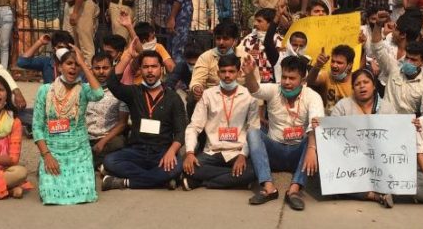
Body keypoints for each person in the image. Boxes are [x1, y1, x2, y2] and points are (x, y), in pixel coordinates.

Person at [243, 55, 323, 211]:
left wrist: (312, 149)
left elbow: (315, 124)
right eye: (284, 77)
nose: (286, 82)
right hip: (275, 151)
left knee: (313, 138)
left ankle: (294, 190)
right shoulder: (274, 89)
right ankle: (268, 187)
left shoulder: (313, 96)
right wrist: (249, 74)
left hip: (299, 152)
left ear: (303, 79)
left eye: (292, 78)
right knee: (253, 133)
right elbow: (255, 90)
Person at [102, 50, 187, 190]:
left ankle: (124, 182)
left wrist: (171, 151)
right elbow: (112, 83)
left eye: (154, 66)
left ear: (162, 68)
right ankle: (161, 180)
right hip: (137, 151)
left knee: (176, 167)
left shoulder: (173, 97)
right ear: (140, 69)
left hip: (161, 151)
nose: (150, 71)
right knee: (110, 161)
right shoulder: (134, 92)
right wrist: (127, 56)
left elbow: (180, 130)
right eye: (146, 67)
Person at [32, 45, 104, 205]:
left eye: (76, 64)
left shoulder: (84, 90)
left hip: (79, 153)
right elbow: (36, 127)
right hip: (53, 152)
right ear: (59, 67)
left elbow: (99, 94)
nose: (73, 67)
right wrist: (47, 156)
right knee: (50, 195)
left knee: (86, 195)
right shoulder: (45, 91)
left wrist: (84, 64)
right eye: (69, 63)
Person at [182, 54, 259, 190]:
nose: (227, 75)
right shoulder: (208, 95)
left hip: (237, 152)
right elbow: (194, 126)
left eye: (231, 71)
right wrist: (189, 153)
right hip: (212, 152)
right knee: (188, 166)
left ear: (238, 73)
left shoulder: (249, 96)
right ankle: (234, 180)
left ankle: (202, 182)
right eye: (223, 72)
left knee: (254, 170)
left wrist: (243, 155)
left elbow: (253, 129)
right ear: (218, 73)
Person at [331, 69, 396, 208]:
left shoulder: (387, 108)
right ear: (353, 88)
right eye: (357, 84)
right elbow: (332, 135)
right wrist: (320, 126)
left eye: (366, 82)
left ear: (373, 85)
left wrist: (411, 126)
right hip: (351, 161)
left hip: (378, 162)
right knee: (332, 180)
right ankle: (375, 196)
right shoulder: (343, 106)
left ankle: (377, 190)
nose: (362, 86)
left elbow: (396, 135)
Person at [372, 13, 423, 115]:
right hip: (384, 121)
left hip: (407, 126)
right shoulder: (393, 69)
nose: (408, 62)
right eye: (407, 58)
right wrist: (378, 25)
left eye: (413, 60)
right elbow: (377, 48)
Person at [87, 53, 129, 169]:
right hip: (86, 138)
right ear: (91, 70)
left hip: (109, 139)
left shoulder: (120, 92)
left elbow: (122, 124)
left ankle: (92, 163)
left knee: (119, 143)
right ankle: (100, 164)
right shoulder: (84, 89)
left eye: (105, 68)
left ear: (112, 68)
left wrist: (103, 141)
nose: (101, 72)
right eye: (97, 68)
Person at [307, 45, 355, 115]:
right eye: (333, 61)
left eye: (339, 63)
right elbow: (310, 81)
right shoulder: (327, 75)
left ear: (349, 65)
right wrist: (318, 65)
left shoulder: (357, 80)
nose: (334, 65)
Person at [240, 8, 283, 83]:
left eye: (259, 21)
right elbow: (238, 57)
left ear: (270, 23)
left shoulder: (279, 41)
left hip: (272, 84)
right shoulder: (248, 39)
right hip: (252, 83)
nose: (255, 24)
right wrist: (246, 55)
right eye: (255, 20)